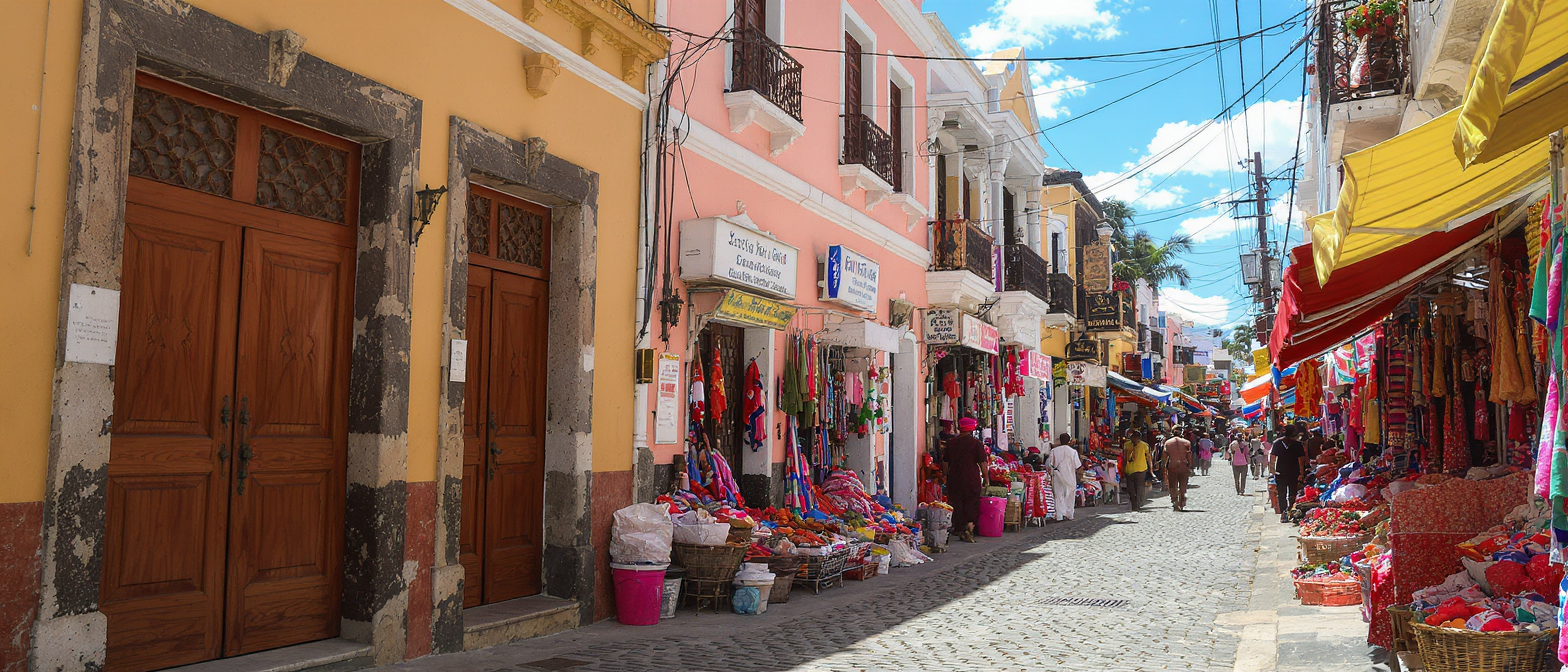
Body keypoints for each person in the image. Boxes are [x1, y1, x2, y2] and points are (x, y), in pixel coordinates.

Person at [945, 417, 989, 542]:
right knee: (972, 501)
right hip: (971, 478)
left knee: (956, 502)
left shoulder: (951, 443)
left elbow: (945, 463)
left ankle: (958, 528)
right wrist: (986, 478)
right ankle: (969, 526)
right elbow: (982, 463)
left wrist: (945, 474)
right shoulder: (976, 444)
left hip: (954, 477)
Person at [1272, 425, 1309, 523]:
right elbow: (1301, 460)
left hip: (1281, 472)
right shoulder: (1297, 445)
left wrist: (1272, 471)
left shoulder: (1277, 443)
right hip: (1293, 472)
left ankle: (1285, 513)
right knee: (1292, 494)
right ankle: (1289, 512)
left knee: (1282, 494)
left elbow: (1272, 459)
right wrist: (1301, 473)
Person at [1048, 433, 1083, 521]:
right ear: (1069, 441)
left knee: (1059, 495)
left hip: (1057, 476)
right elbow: (1077, 465)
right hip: (1070, 476)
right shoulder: (1073, 452)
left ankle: (1060, 515)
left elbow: (1050, 464)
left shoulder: (1054, 451)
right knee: (1070, 495)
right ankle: (1069, 514)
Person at [1162, 433, 1194, 511]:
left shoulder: (1168, 443)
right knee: (1183, 485)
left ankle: (1174, 500)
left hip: (1172, 465)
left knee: (1173, 485)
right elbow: (1189, 455)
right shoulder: (1186, 442)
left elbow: (1164, 456)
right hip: (1183, 465)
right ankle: (1182, 500)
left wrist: (1163, 467)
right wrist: (1190, 465)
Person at [1121, 429, 1151, 511]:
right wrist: (1123, 469)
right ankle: (1134, 504)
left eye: (1137, 438)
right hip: (1129, 470)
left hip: (1141, 470)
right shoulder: (1127, 445)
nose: (1135, 440)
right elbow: (1124, 458)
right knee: (1131, 489)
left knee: (1139, 488)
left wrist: (1151, 469)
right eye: (1134, 438)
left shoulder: (1144, 445)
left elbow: (1148, 457)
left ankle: (1138, 503)